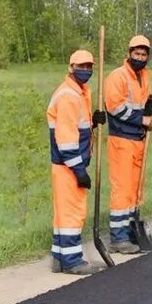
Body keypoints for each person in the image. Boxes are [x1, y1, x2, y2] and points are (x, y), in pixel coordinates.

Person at [47, 49, 106, 275]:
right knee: (72, 213)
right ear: (71, 68)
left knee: (63, 212)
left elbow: (76, 128)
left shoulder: (78, 92)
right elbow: (66, 138)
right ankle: (72, 261)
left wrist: (93, 123)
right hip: (68, 165)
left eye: (89, 67)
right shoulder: (68, 96)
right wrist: (79, 170)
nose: (86, 70)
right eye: (81, 66)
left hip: (66, 164)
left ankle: (59, 258)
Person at [104, 35, 152, 254]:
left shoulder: (144, 75)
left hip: (138, 139)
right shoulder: (118, 76)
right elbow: (115, 107)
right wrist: (141, 118)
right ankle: (118, 238)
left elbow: (139, 103)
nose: (140, 57)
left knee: (135, 190)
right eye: (136, 54)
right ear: (129, 54)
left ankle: (129, 232)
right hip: (122, 140)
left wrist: (149, 108)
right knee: (122, 189)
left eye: (144, 54)